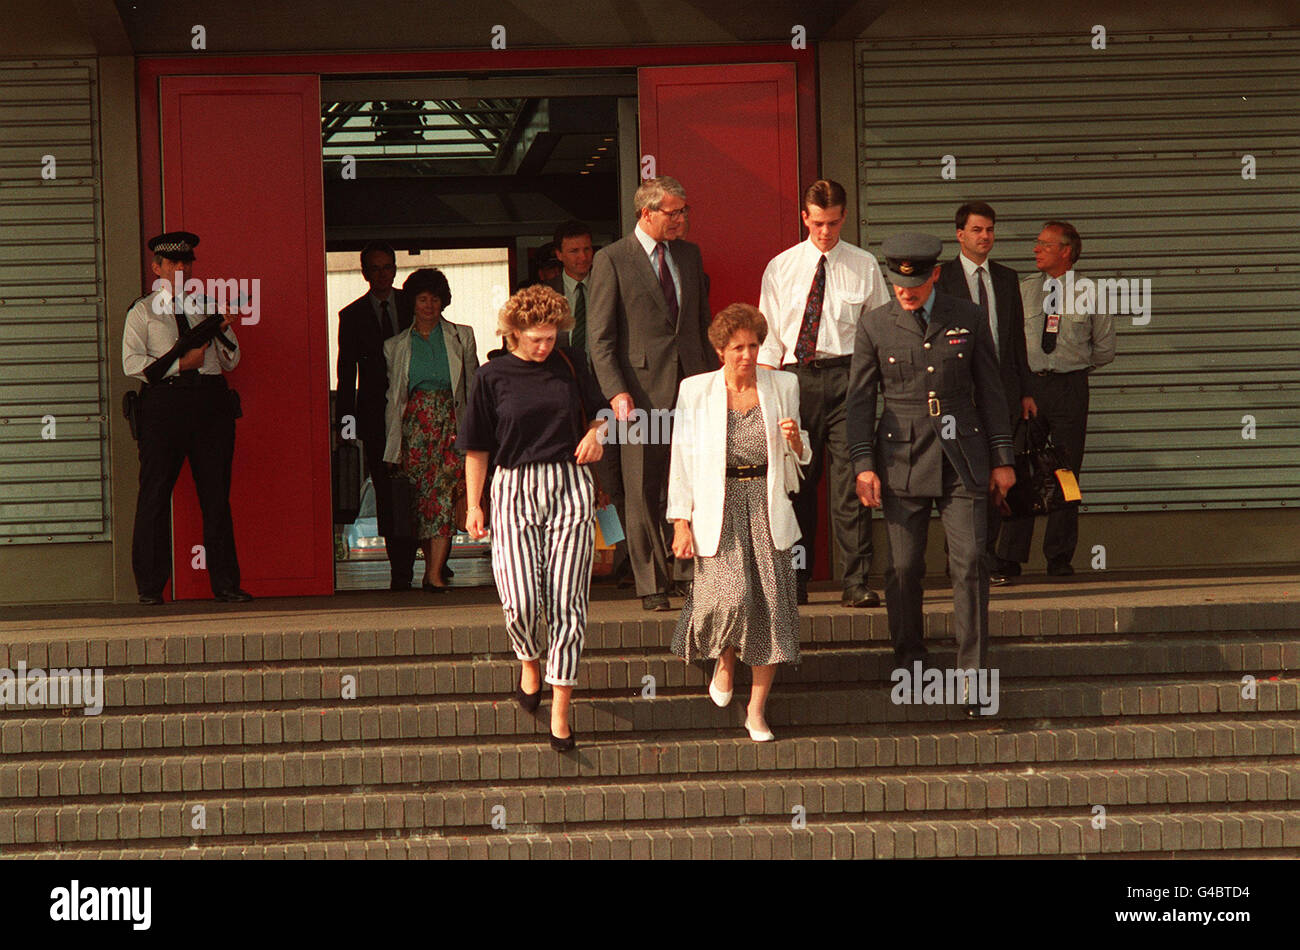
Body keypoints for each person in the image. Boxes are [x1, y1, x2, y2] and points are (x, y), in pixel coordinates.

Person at [847, 233, 1016, 715]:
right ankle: (913, 666)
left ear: (934, 275)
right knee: (903, 569)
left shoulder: (967, 316)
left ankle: (972, 677)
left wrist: (1003, 458)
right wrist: (863, 465)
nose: (908, 292)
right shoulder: (874, 326)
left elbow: (992, 389)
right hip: (901, 460)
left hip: (963, 457)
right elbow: (859, 403)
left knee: (969, 564)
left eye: (917, 285)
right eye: (900, 286)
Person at [459, 284, 607, 751]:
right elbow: (477, 447)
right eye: (535, 338)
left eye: (551, 336)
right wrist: (473, 504)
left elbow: (602, 413)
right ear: (513, 332)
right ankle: (528, 659)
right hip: (512, 487)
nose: (545, 346)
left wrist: (598, 433)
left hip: (569, 484)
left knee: (568, 601)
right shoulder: (491, 377)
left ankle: (561, 707)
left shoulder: (571, 363)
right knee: (520, 599)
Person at [668, 303, 810, 742]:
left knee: (770, 606)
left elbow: (802, 457)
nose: (746, 355)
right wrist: (680, 522)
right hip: (719, 506)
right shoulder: (696, 390)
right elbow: (682, 459)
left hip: (767, 507)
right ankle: (725, 659)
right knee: (727, 598)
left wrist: (794, 441)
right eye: (737, 348)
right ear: (720, 350)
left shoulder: (783, 383)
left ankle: (756, 711)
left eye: (753, 346)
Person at [758, 179, 890, 608]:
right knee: (796, 484)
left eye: (833, 223)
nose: (825, 232)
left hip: (850, 378)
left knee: (852, 484)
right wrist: (762, 396)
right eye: (817, 223)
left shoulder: (865, 265)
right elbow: (769, 340)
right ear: (804, 217)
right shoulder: (781, 267)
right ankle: (796, 582)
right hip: (797, 380)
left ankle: (855, 583)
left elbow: (881, 332)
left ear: (844, 217)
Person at [588, 176, 715, 611]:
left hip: (693, 387)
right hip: (639, 394)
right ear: (647, 212)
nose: (682, 219)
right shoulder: (612, 259)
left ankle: (685, 572)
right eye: (673, 212)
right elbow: (600, 339)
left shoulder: (689, 254)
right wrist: (615, 391)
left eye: (684, 211)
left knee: (690, 482)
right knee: (642, 487)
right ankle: (651, 583)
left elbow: (701, 325)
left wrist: (715, 381)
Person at [122, 230, 252, 604]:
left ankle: (226, 584)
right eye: (172, 263)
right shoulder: (142, 310)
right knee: (154, 496)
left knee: (215, 497)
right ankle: (150, 588)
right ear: (157, 268)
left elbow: (232, 360)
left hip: (209, 404)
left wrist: (221, 332)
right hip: (165, 405)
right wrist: (181, 363)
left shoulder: (206, 305)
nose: (180, 268)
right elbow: (132, 363)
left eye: (186, 262)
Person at [996, 221, 1116, 578]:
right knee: (1020, 467)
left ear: (1066, 251)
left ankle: (1059, 558)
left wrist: (1071, 369)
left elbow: (1105, 349)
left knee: (1066, 473)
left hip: (1069, 389)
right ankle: (1011, 556)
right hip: (1029, 389)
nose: (1036, 249)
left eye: (1044, 244)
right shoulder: (1022, 290)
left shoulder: (1092, 292)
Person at [936, 202, 1036, 585]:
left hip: (1003, 391)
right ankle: (958, 562)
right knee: (960, 474)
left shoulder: (1007, 278)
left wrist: (1026, 390)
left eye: (990, 230)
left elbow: (1016, 342)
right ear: (960, 234)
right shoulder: (941, 277)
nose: (985, 237)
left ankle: (987, 558)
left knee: (1000, 474)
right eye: (977, 230)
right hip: (959, 392)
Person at [382, 267, 478, 591]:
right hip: (415, 429)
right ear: (412, 302)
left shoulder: (461, 335)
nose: (429, 305)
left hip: (451, 424)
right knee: (422, 501)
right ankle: (430, 568)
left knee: (444, 497)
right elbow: (393, 399)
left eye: (434, 299)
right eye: (422, 299)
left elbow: (472, 386)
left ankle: (435, 573)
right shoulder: (395, 346)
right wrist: (393, 445)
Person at [548, 219, 629, 585]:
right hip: (561, 399)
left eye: (588, 249)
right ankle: (565, 563)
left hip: (605, 395)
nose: (584, 257)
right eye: (575, 251)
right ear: (559, 254)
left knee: (608, 480)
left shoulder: (609, 282)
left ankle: (615, 558)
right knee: (560, 480)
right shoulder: (544, 293)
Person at [336, 241, 418, 590]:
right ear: (365, 272)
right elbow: (346, 373)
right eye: (376, 268)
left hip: (416, 411)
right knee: (387, 492)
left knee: (419, 488)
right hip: (373, 415)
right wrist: (346, 422)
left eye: (389, 267)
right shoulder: (351, 315)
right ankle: (399, 569)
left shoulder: (412, 305)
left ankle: (433, 560)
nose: (383, 274)